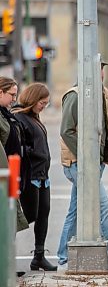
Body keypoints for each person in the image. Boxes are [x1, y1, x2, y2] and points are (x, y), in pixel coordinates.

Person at [57, 61, 108, 270]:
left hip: (95, 163)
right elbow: (66, 131)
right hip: (78, 164)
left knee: (74, 211)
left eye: (102, 69)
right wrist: (86, 158)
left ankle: (63, 258)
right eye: (97, 69)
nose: (101, 73)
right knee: (102, 207)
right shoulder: (75, 95)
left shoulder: (102, 94)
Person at [11, 83, 56, 271]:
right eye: (41, 103)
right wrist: (35, 154)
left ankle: (39, 256)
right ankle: (5, 248)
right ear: (33, 99)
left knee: (43, 214)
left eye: (46, 103)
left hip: (42, 174)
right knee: (29, 214)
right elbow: (20, 146)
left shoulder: (34, 117)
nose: (43, 106)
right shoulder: (19, 118)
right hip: (31, 174)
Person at [0, 77, 29, 277]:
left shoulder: (6, 114)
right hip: (3, 175)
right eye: (11, 94)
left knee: (8, 222)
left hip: (11, 173)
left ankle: (7, 264)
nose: (14, 99)